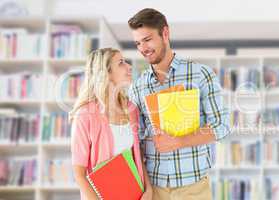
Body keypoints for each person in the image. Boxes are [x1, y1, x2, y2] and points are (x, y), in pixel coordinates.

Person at [128, 8, 230, 200]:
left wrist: (179, 142)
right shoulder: (138, 86)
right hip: (155, 188)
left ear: (165, 33)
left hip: (193, 188)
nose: (143, 48)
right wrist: (147, 189)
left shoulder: (201, 74)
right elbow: (137, 144)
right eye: (138, 43)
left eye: (147, 40)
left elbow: (222, 127)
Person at [70, 48, 152, 200]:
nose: (129, 66)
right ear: (105, 73)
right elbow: (79, 174)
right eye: (121, 63)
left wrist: (148, 190)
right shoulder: (85, 115)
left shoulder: (131, 109)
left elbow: (137, 156)